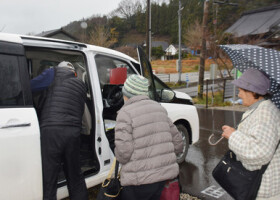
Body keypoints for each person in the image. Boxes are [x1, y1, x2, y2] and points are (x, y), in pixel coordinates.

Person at [114, 74, 183, 200]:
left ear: (126, 94)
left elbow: (124, 154)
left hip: (138, 182)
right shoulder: (159, 109)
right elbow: (178, 144)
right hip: (162, 180)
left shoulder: (125, 113)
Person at [31, 61, 88, 200]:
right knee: (75, 177)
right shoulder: (81, 85)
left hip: (52, 130)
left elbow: (30, 86)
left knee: (50, 179)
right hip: (73, 132)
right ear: (73, 71)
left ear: (59, 68)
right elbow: (80, 111)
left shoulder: (53, 73)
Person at [221, 68, 280, 200]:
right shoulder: (259, 109)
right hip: (260, 186)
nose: (239, 94)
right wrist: (235, 133)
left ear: (253, 91)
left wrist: (233, 136)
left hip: (263, 191)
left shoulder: (265, 113)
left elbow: (259, 153)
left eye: (241, 90)